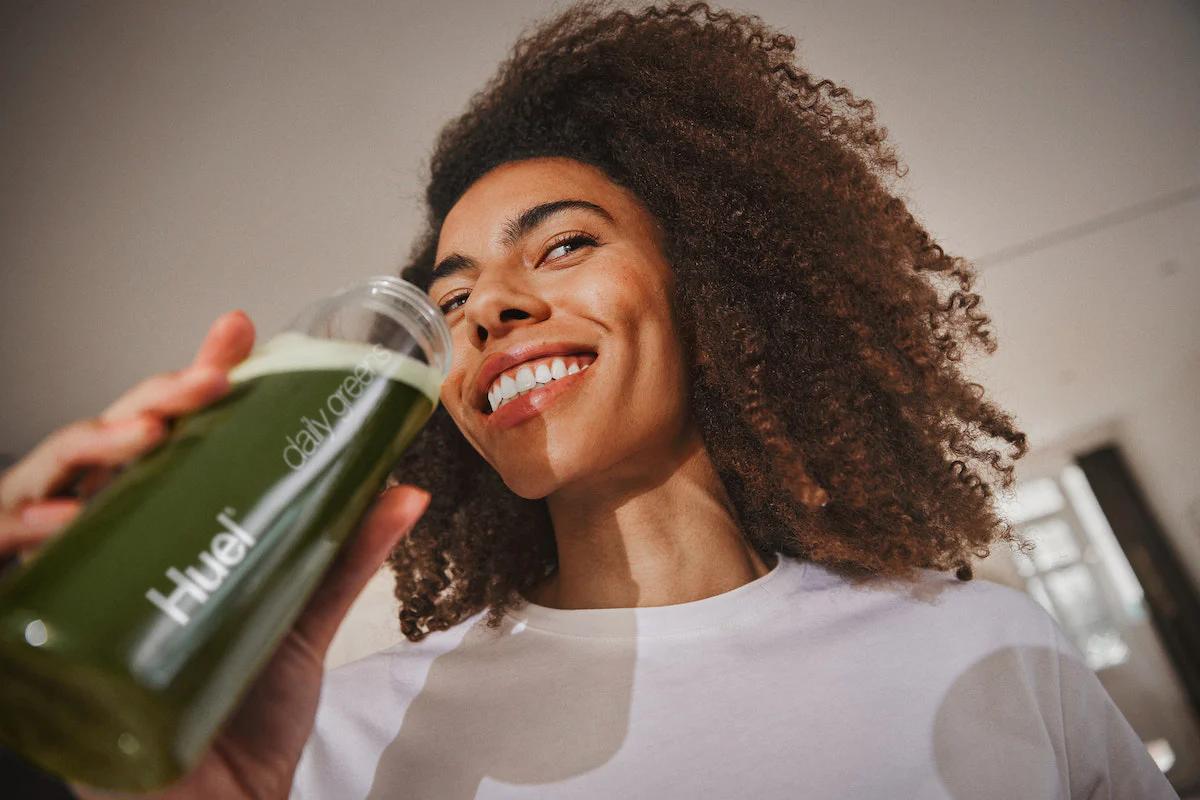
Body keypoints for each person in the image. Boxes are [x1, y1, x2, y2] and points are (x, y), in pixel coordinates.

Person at [0, 1, 1178, 798]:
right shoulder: (332, 740)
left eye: (560, 247)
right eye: (450, 301)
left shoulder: (992, 651)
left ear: (708, 287)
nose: (489, 311)